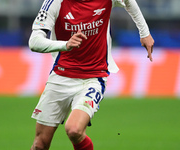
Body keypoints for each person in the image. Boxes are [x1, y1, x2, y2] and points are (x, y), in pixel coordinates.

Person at [28, 0, 154, 149]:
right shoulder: (55, 2)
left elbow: (129, 1)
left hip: (93, 77)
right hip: (61, 76)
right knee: (40, 145)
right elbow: (34, 42)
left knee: (74, 129)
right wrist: (65, 45)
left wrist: (144, 33)